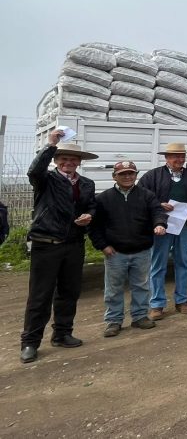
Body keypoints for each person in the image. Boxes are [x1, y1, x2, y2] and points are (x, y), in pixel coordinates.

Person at [20, 132, 97, 364]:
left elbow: (92, 206)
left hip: (74, 245)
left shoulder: (86, 183)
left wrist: (89, 216)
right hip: (47, 244)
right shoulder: (46, 179)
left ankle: (62, 334)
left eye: (73, 159)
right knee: (40, 295)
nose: (68, 162)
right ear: (55, 160)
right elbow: (33, 171)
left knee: (69, 292)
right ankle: (30, 343)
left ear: (79, 162)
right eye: (63, 158)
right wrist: (51, 145)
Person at [91, 161, 168, 337]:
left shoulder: (147, 195)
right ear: (114, 177)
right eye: (123, 174)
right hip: (115, 252)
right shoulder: (103, 198)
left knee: (141, 286)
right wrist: (103, 246)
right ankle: (113, 321)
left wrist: (159, 224)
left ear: (136, 175)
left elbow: (157, 212)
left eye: (131, 173)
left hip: (141, 250)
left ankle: (140, 316)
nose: (127, 177)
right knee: (113, 289)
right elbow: (95, 226)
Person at [140, 142, 187, 320]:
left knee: (183, 263)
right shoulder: (152, 176)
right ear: (166, 158)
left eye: (182, 156)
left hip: (185, 227)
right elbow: (140, 197)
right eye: (175, 156)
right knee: (158, 265)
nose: (179, 159)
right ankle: (157, 305)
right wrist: (158, 205)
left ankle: (182, 301)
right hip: (161, 227)